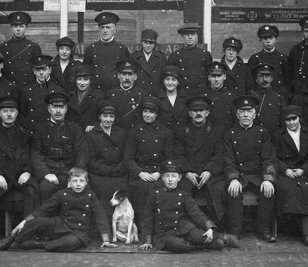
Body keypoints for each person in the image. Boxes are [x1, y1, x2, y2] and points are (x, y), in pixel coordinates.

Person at [0, 167, 116, 252]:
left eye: (81, 181)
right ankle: (10, 240)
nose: (78, 184)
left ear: (86, 182)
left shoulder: (91, 195)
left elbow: (100, 216)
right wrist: (25, 221)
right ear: (69, 182)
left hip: (78, 232)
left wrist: (106, 239)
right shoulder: (62, 194)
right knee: (39, 221)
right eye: (75, 181)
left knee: (70, 243)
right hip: (60, 225)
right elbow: (43, 209)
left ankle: (38, 245)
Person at [0, 96, 38, 246]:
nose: (9, 114)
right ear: (0, 113)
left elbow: (34, 154)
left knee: (32, 187)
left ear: (17, 113)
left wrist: (28, 171)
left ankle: (27, 230)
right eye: (5, 111)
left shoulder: (26, 134)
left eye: (12, 111)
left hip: (19, 175)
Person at [139, 161, 239, 252]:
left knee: (200, 236)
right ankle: (211, 245)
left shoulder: (184, 195)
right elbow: (148, 218)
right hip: (164, 233)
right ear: (162, 177)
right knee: (177, 245)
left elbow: (196, 213)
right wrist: (147, 241)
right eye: (167, 176)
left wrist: (209, 228)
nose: (170, 179)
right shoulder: (155, 194)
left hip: (183, 227)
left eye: (173, 176)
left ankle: (223, 237)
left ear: (179, 178)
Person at [223, 95, 277, 242]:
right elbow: (229, 160)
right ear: (237, 114)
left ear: (255, 113)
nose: (246, 114)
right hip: (240, 176)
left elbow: (269, 158)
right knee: (233, 191)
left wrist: (268, 179)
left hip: (258, 176)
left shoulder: (263, 133)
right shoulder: (230, 134)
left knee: (268, 192)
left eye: (249, 111)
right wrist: (233, 178)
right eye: (242, 111)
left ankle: (265, 231)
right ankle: (235, 232)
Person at [123, 96, 175, 227]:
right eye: (145, 111)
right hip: (140, 173)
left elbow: (169, 157)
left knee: (158, 190)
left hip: (158, 173)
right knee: (141, 189)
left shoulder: (166, 132)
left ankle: (159, 227)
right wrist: (140, 173)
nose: (147, 115)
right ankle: (141, 228)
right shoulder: (135, 131)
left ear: (156, 114)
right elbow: (128, 158)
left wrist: (159, 172)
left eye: (151, 112)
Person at [272, 105, 308, 246]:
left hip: (304, 173)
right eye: (288, 120)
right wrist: (285, 170)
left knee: (305, 189)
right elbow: (273, 157)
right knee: (293, 191)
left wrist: (303, 169)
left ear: (300, 119)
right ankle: (306, 234)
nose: (291, 123)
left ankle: (306, 232)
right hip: (285, 174)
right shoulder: (278, 135)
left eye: (294, 119)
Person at [174, 96, 226, 224]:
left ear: (207, 113)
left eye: (201, 110)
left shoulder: (216, 131)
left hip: (210, 175)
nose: (198, 113)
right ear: (190, 113)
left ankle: (217, 227)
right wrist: (187, 172)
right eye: (194, 110)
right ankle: (184, 227)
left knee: (218, 191)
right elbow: (179, 155)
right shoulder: (181, 131)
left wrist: (209, 171)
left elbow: (219, 154)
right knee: (179, 192)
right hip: (189, 174)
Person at [31, 92, 89, 203]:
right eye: (54, 107)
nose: (58, 111)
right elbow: (36, 154)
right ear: (49, 109)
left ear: (66, 109)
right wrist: (46, 174)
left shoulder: (74, 128)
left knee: (82, 192)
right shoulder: (41, 129)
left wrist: (74, 176)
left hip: (71, 173)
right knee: (45, 189)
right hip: (50, 173)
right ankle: (49, 220)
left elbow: (82, 153)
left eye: (61, 107)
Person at [86, 101, 128, 221]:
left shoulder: (121, 133)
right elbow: (90, 159)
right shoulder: (91, 134)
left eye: (111, 116)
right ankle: (104, 225)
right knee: (103, 189)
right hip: (99, 172)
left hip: (118, 170)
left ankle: (120, 226)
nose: (108, 119)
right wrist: (108, 170)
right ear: (99, 117)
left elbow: (126, 155)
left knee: (122, 187)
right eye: (105, 116)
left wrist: (119, 169)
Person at [82, 12, 131, 92]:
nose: (105, 31)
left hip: (116, 92)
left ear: (114, 30)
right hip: (95, 92)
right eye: (102, 27)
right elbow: (86, 71)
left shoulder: (122, 49)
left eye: (108, 27)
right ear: (99, 30)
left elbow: (127, 72)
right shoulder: (91, 48)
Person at [0, 11, 42, 88]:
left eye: (21, 26)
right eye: (15, 26)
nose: (18, 29)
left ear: (26, 28)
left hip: (28, 88)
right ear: (11, 28)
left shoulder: (34, 47)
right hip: (8, 88)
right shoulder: (3, 47)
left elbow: (39, 70)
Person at [166, 23, 213, 97]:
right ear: (182, 36)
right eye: (187, 34)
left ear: (197, 36)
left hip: (201, 96)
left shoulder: (205, 55)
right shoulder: (175, 56)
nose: (190, 37)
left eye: (193, 34)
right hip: (182, 97)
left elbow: (210, 79)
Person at [20, 55, 64, 131]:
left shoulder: (58, 90)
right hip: (31, 131)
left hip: (50, 131)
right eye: (38, 70)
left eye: (44, 69)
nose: (41, 73)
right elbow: (22, 113)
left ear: (50, 70)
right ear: (34, 71)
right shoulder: (26, 90)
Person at [103, 60, 147, 132]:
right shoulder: (110, 94)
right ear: (118, 75)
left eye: (130, 74)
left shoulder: (142, 94)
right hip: (115, 133)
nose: (127, 78)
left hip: (135, 133)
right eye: (124, 74)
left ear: (135, 76)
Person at [248, 25, 289, 99]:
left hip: (279, 97)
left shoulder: (283, 58)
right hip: (260, 96)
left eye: (271, 38)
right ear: (260, 40)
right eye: (265, 38)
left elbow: (288, 81)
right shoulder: (254, 58)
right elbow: (251, 81)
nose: (268, 41)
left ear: (276, 39)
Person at [248, 63, 288, 135]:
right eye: (260, 76)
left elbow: (283, 124)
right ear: (256, 79)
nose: (265, 79)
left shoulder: (279, 98)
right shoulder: (251, 97)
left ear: (272, 78)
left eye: (267, 76)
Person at [202, 61, 237, 132]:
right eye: (213, 76)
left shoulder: (232, 97)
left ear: (224, 77)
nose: (216, 79)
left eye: (219, 76)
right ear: (208, 78)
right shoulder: (203, 97)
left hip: (227, 134)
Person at [131, 29, 167, 96]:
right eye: (145, 42)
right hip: (139, 93)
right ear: (142, 42)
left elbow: (163, 78)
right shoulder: (135, 57)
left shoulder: (161, 57)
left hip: (155, 94)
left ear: (155, 44)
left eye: (151, 43)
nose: (148, 46)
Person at [67, 64, 102, 130]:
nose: (82, 83)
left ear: (90, 80)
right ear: (75, 80)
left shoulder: (98, 96)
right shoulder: (70, 96)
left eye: (85, 80)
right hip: (74, 133)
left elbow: (101, 117)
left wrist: (94, 126)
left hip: (90, 133)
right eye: (79, 79)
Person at [157, 65, 189, 134]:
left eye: (173, 80)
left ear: (178, 82)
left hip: (182, 138)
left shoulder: (186, 99)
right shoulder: (157, 100)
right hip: (164, 138)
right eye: (167, 79)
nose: (170, 83)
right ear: (163, 81)